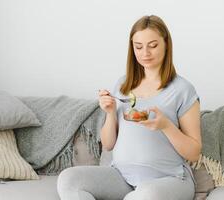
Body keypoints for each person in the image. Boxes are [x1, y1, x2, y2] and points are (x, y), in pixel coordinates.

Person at [57, 15, 201, 200]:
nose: (145, 53)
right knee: (69, 179)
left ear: (166, 44)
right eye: (138, 46)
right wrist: (110, 114)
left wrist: (166, 126)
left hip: (169, 180)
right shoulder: (123, 85)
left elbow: (194, 153)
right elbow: (108, 144)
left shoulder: (183, 90)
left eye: (153, 45)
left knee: (143, 196)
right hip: (122, 177)